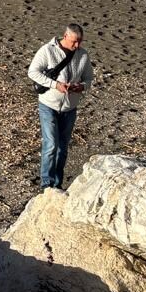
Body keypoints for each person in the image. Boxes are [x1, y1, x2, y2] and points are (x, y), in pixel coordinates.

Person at [29, 24, 93, 190]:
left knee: (63, 147)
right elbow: (33, 72)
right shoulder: (47, 50)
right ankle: (46, 184)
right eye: (74, 42)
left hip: (69, 108)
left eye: (80, 42)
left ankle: (57, 184)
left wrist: (81, 87)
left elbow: (89, 78)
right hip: (48, 105)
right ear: (65, 36)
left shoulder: (83, 55)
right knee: (51, 145)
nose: (77, 45)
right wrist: (55, 84)